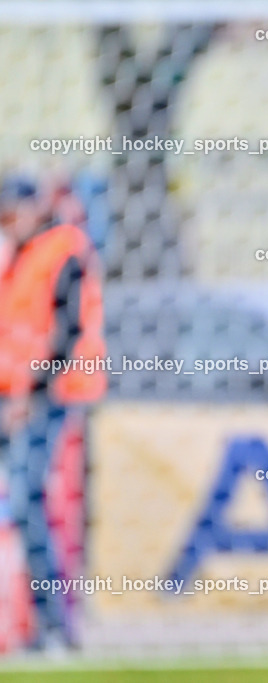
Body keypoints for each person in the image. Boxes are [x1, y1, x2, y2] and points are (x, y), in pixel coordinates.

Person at [0, 175, 107, 651]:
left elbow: (67, 330)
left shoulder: (63, 247)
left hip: (51, 393)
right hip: (15, 395)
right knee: (24, 505)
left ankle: (54, 627)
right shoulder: (19, 255)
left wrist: (31, 391)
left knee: (26, 501)